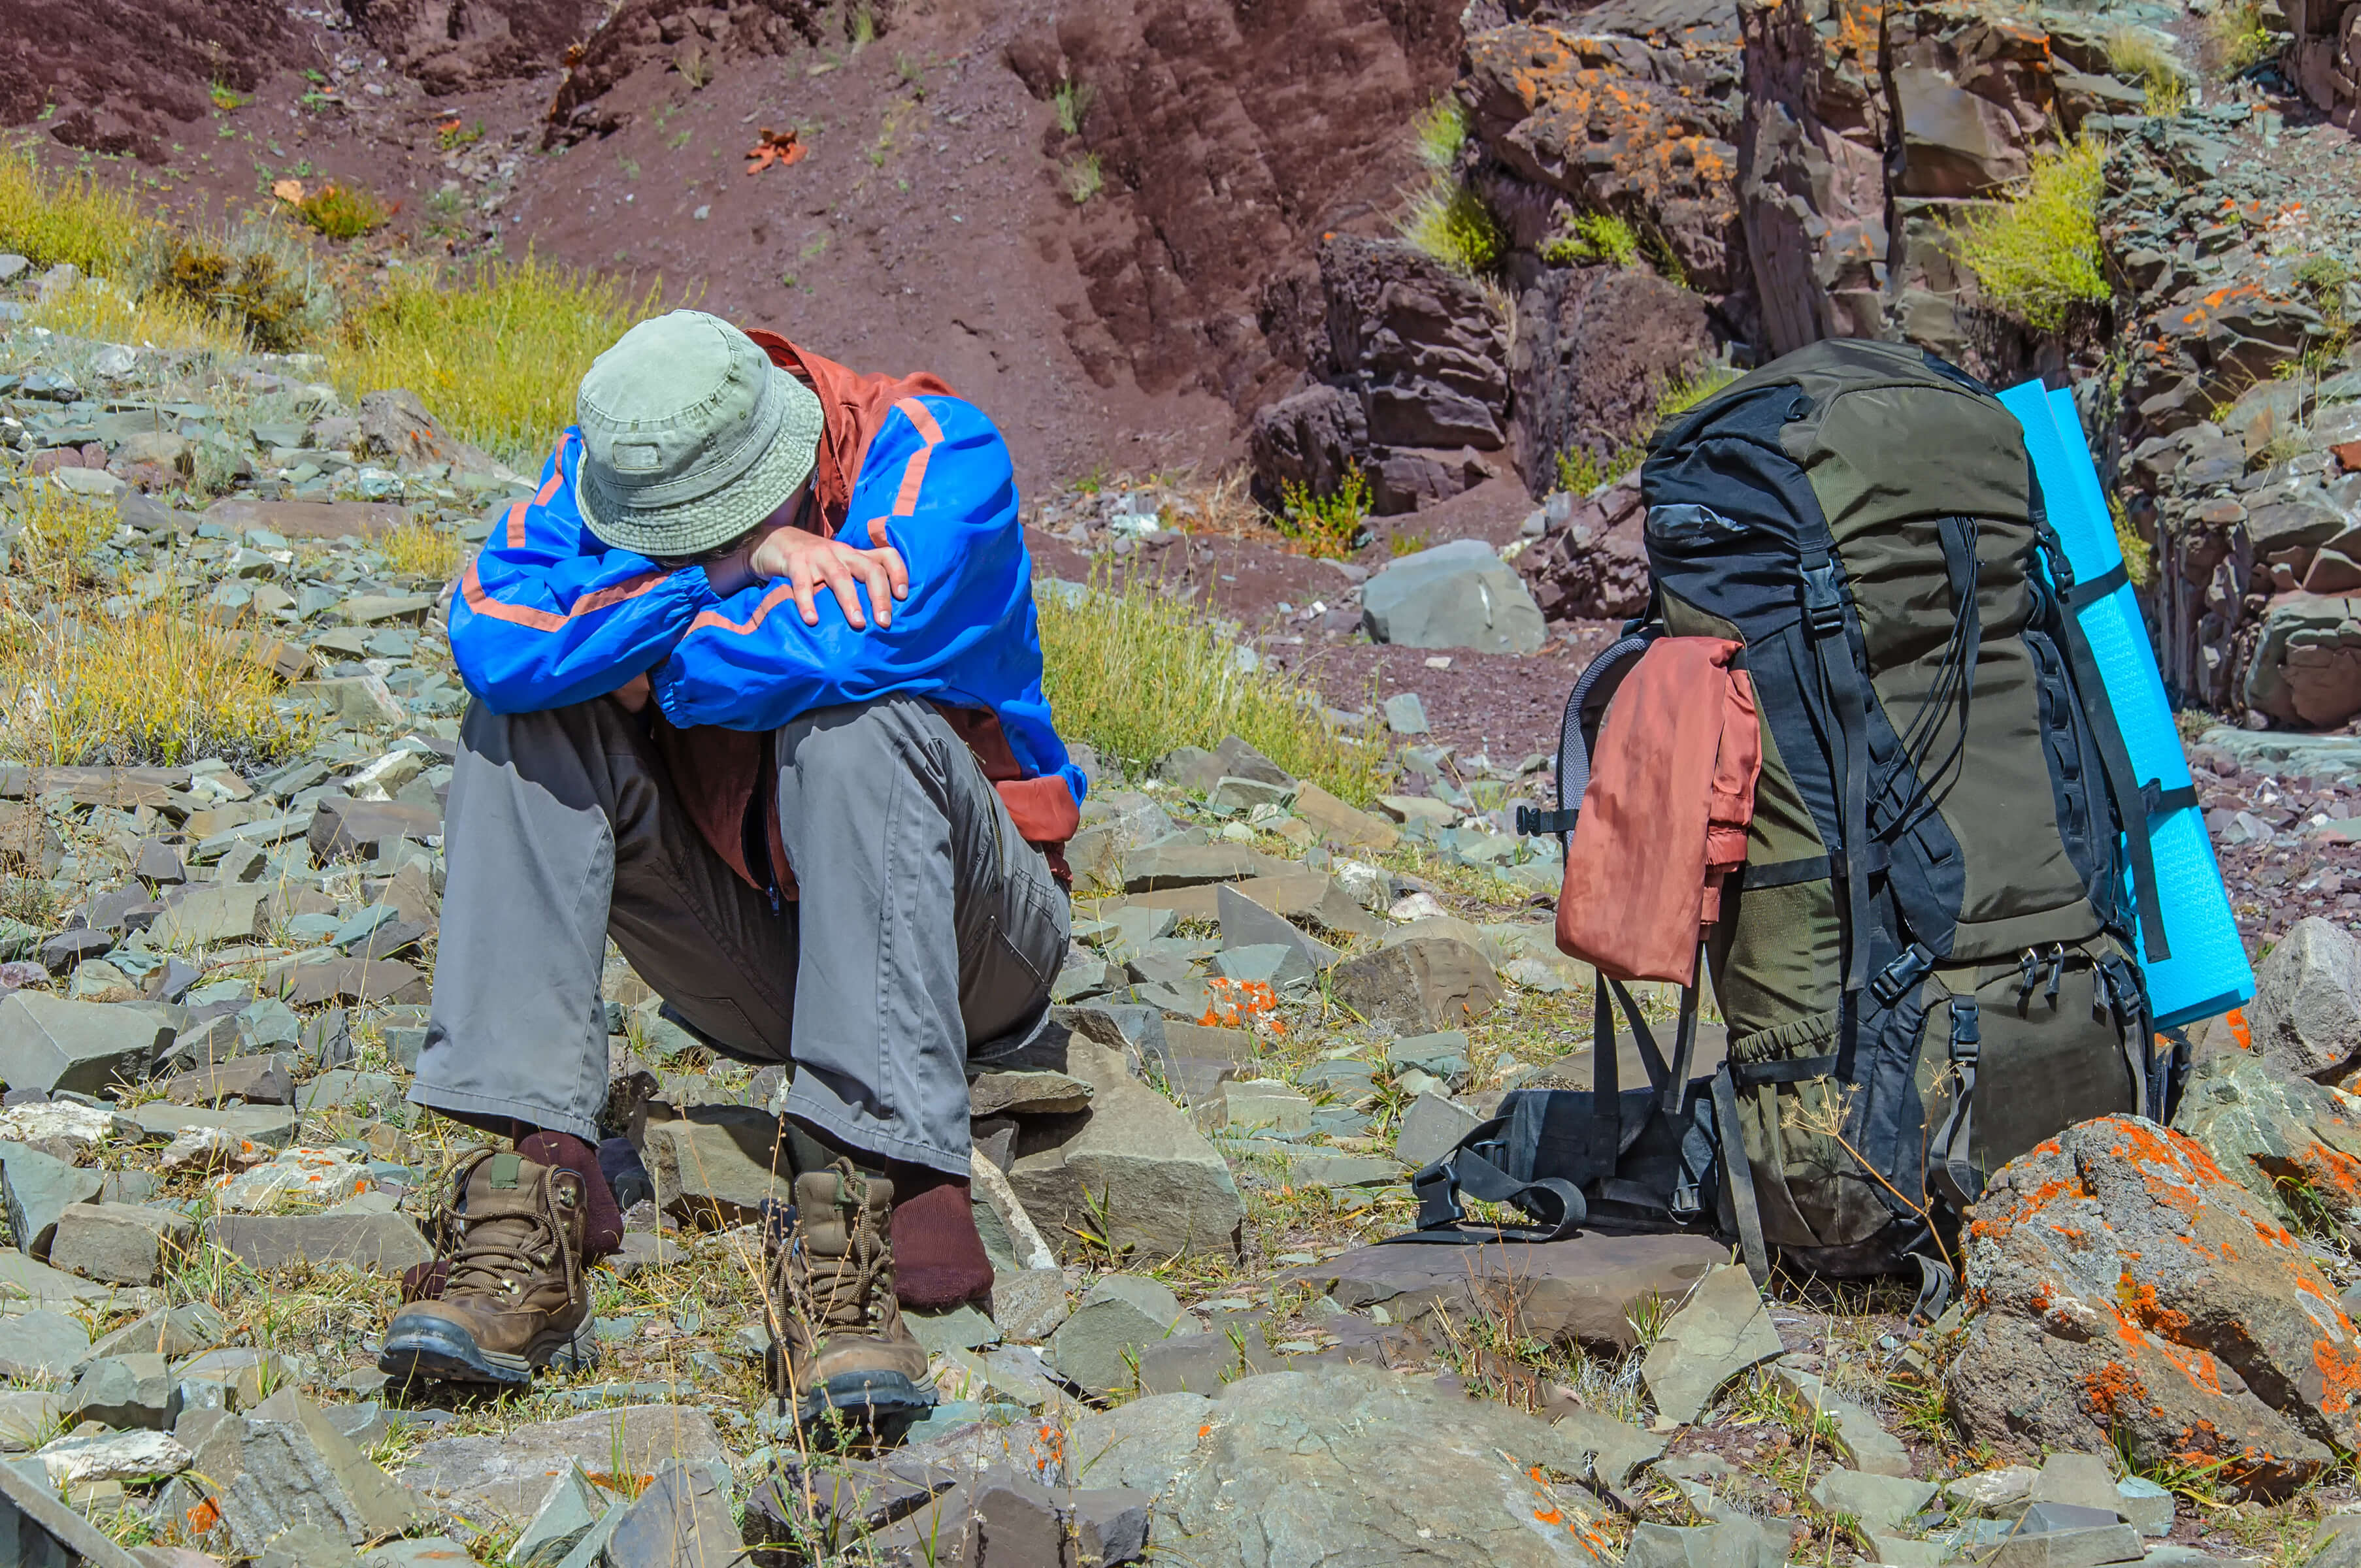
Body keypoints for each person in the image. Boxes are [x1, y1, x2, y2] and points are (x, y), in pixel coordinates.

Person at [375, 310, 1079, 1435]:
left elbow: (855, 643)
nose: (682, 544)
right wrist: (731, 566)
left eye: (724, 521)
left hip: (971, 952)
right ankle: (537, 1188)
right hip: (762, 964)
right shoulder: (610, 463)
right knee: (521, 723)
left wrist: (632, 650)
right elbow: (494, 639)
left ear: (796, 450)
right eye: (665, 534)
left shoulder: (942, 455)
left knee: (858, 722)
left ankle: (867, 1185)